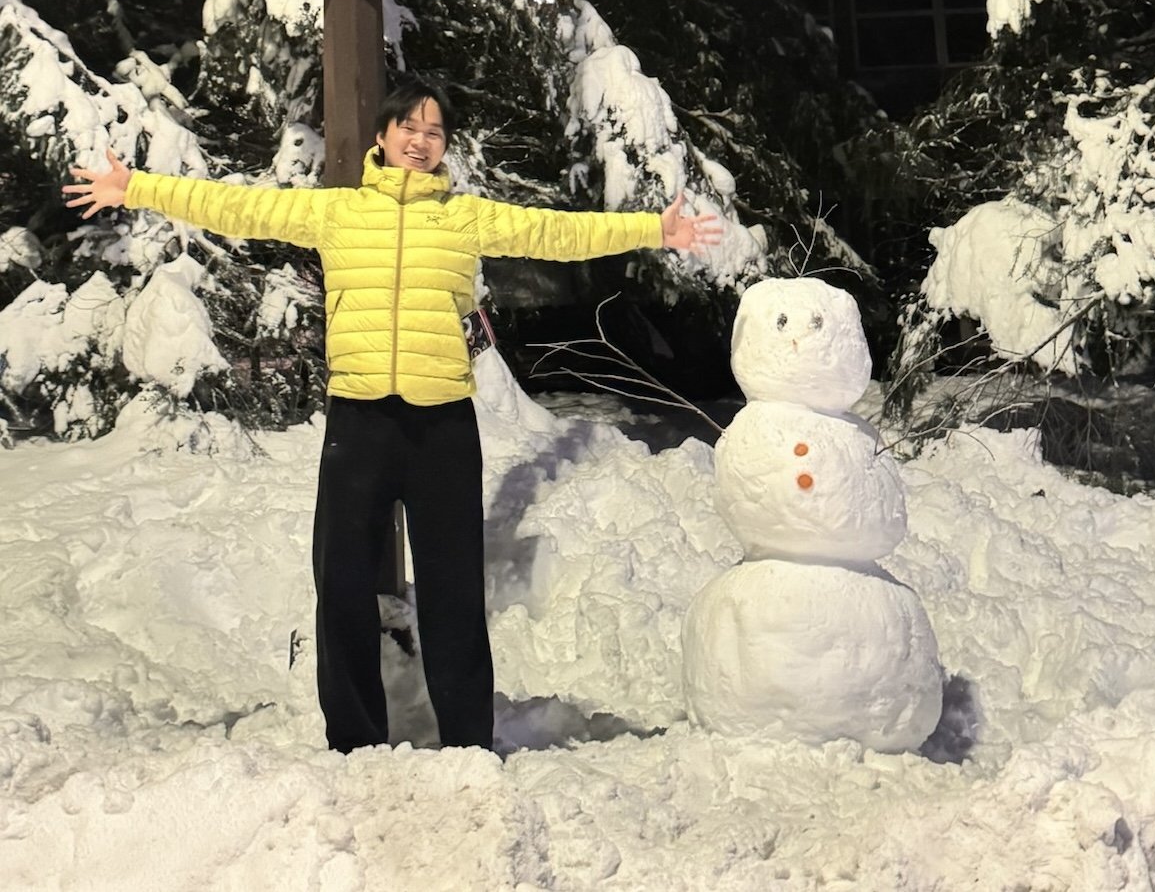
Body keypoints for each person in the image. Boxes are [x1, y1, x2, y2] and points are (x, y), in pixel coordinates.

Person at [64, 76, 722, 754]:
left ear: (444, 146)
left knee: (453, 591)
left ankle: (467, 740)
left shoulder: (464, 217)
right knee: (343, 583)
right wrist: (135, 187)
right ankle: (354, 739)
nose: (419, 140)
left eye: (433, 132)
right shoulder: (338, 212)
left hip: (443, 428)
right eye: (408, 127)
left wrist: (654, 228)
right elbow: (238, 206)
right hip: (361, 423)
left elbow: (556, 232)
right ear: (382, 136)